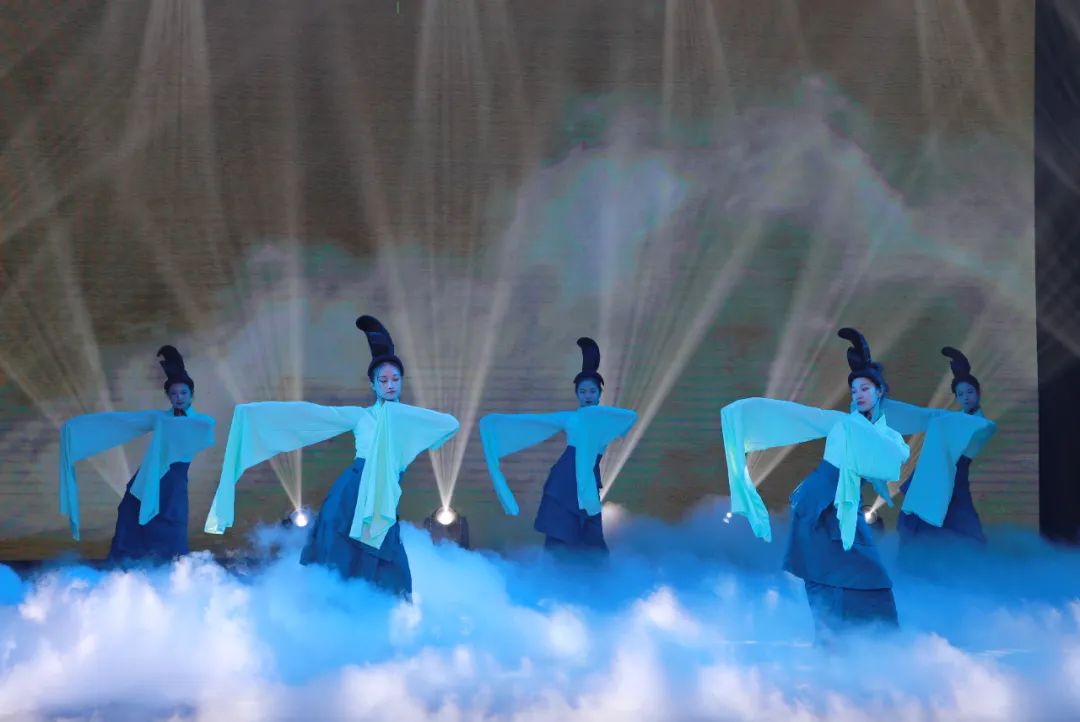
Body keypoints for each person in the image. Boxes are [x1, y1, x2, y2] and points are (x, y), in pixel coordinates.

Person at [204, 315, 459, 598]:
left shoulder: (406, 419)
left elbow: (450, 424)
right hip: (350, 493)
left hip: (383, 496)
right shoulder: (362, 416)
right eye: (383, 380)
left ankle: (374, 614)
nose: (390, 385)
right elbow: (312, 415)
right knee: (342, 560)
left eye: (395, 379)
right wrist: (254, 414)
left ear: (402, 382)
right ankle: (336, 609)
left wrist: (402, 412)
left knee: (390, 569)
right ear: (373, 385)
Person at [720, 328, 908, 642]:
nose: (858, 395)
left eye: (865, 388)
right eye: (854, 390)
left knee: (868, 577)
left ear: (880, 391)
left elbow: (894, 458)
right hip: (819, 502)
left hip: (843, 506)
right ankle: (833, 644)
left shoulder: (886, 435)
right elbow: (800, 416)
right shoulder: (844, 423)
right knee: (823, 577)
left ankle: (876, 642)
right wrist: (743, 414)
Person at [479, 337, 636, 554]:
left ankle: (593, 569)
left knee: (590, 527)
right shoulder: (570, 418)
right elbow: (536, 421)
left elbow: (630, 417)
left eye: (592, 391)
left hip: (587, 478)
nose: (587, 396)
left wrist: (597, 410)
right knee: (561, 524)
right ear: (577, 394)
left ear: (600, 394)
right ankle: (557, 567)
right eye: (583, 391)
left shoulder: (604, 419)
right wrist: (496, 422)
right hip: (565, 478)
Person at [59, 345, 215, 563]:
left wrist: (179, 374)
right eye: (173, 393)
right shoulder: (160, 418)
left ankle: (174, 571)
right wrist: (76, 428)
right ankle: (128, 567)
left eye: (183, 393)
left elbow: (203, 431)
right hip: (149, 479)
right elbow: (124, 421)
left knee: (171, 526)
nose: (178, 397)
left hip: (173, 483)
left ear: (191, 395)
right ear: (168, 396)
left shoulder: (200, 421)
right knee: (130, 515)